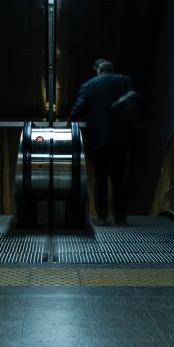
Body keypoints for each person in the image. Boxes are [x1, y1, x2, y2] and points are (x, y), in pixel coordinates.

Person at [68, 58, 132, 226]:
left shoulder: (90, 85)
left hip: (99, 139)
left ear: (98, 71)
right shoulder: (124, 82)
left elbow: (78, 108)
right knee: (119, 178)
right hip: (121, 139)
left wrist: (69, 122)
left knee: (101, 177)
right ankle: (120, 216)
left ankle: (102, 216)